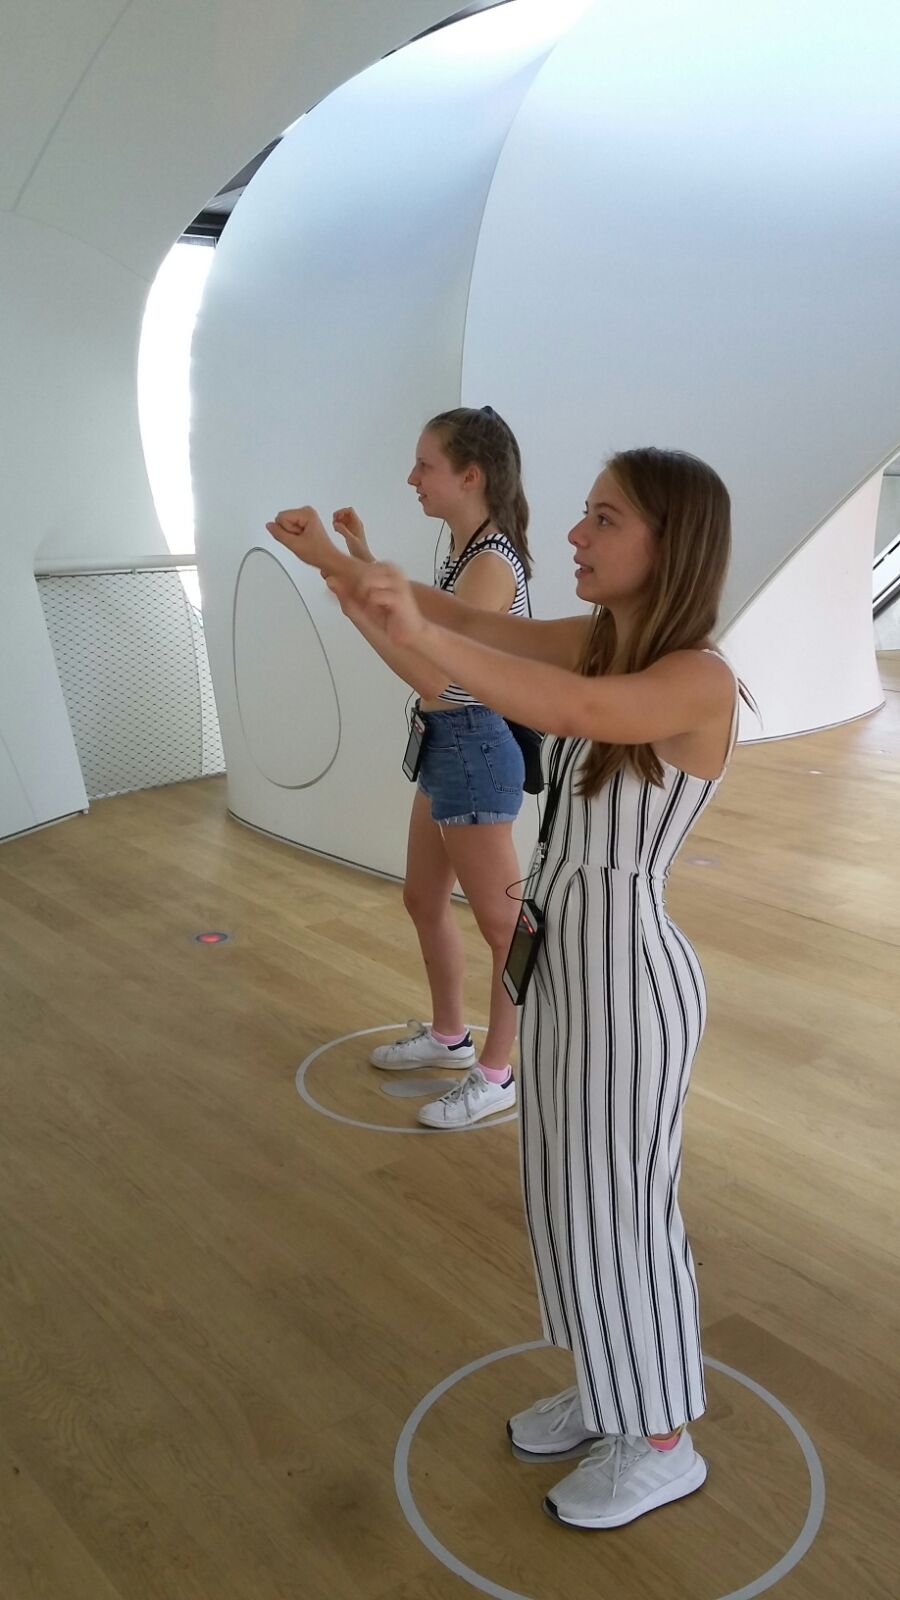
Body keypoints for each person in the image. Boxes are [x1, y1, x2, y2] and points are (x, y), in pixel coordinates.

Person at [305, 444, 744, 1531]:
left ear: (671, 542)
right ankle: (612, 1388)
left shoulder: (696, 677)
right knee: (566, 1197)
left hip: (630, 985)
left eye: (604, 518)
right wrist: (354, 575)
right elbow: (479, 627)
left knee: (623, 1211)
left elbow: (566, 706)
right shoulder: (607, 640)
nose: (576, 535)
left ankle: (661, 1439)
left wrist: (417, 631)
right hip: (567, 968)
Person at [268, 407, 533, 1129]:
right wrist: (356, 556)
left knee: (505, 928)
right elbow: (429, 630)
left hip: (473, 746)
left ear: (469, 476)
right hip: (450, 744)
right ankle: (450, 1036)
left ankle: (497, 1072)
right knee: (423, 898)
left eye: (425, 465)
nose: (412, 477)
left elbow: (437, 677)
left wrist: (348, 590)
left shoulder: (489, 563)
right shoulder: (467, 548)